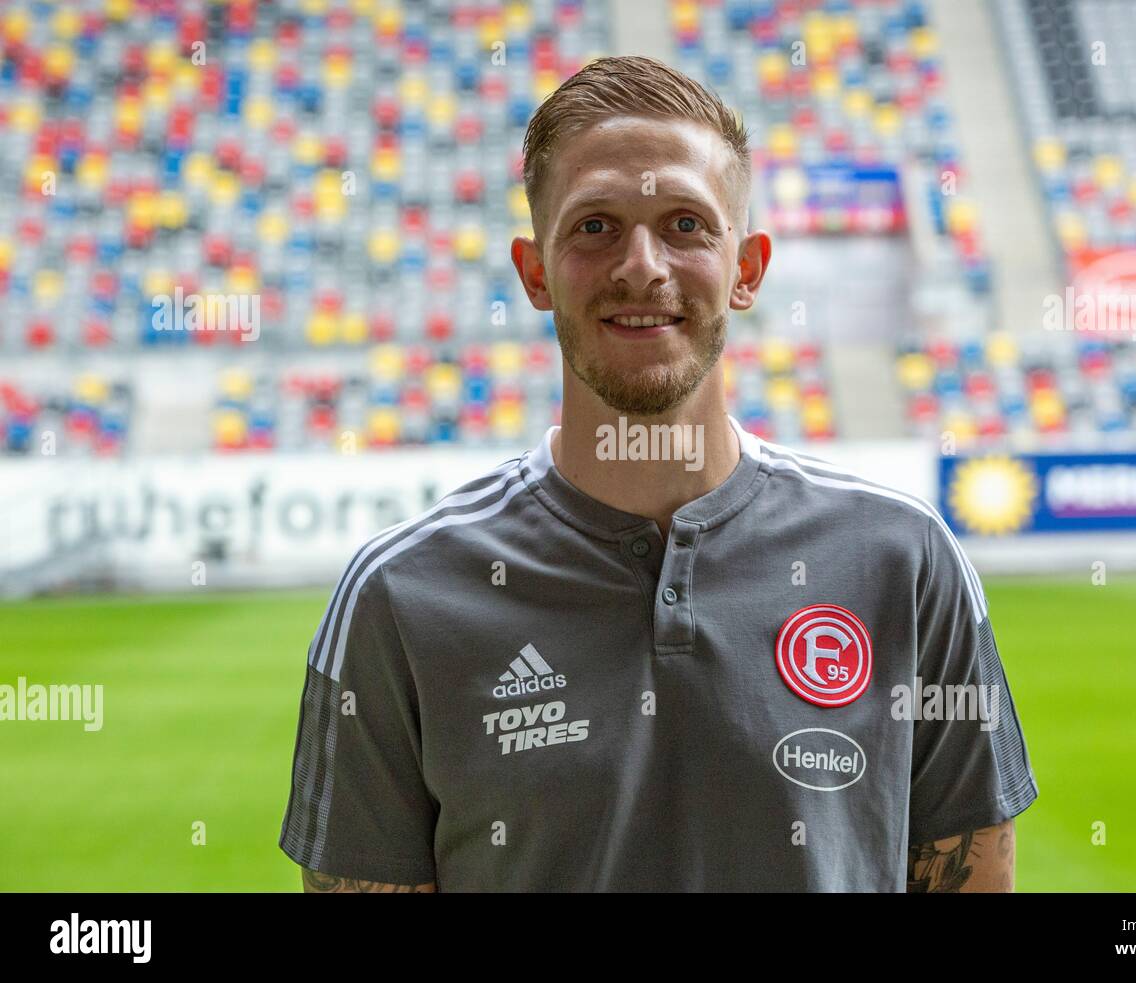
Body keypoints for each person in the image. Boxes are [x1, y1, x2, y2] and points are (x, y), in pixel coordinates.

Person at [279, 54, 1038, 893]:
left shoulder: (904, 560)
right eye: (595, 226)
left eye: (685, 224)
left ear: (747, 268)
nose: (641, 265)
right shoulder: (401, 596)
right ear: (535, 273)